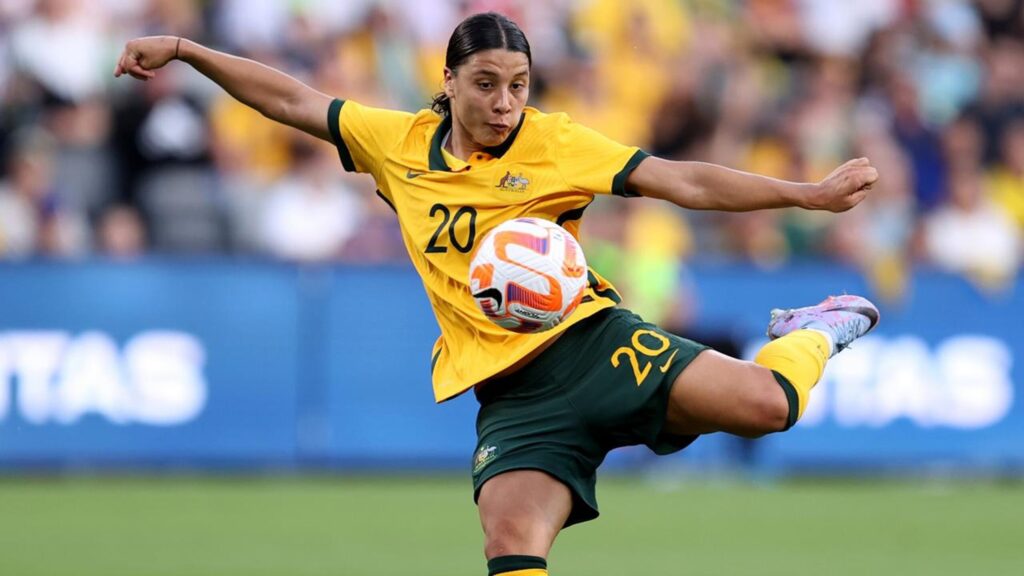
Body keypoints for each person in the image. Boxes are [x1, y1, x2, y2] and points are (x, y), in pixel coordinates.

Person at [115, 13, 881, 576]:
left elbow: (681, 180)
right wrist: (185, 48)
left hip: (591, 345)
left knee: (770, 407)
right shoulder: (397, 144)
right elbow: (289, 101)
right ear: (448, 82)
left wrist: (806, 195)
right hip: (512, 398)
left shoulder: (557, 143)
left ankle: (812, 329)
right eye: (485, 84)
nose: (504, 102)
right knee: (510, 544)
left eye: (518, 86)